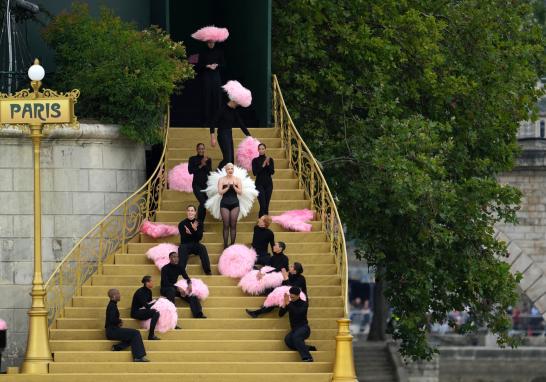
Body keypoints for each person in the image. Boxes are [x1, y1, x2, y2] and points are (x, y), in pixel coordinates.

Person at [210, 81, 252, 169]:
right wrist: (212, 137)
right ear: (233, 100)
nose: (238, 105)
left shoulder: (234, 111)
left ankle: (226, 178)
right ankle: (217, 173)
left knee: (231, 160)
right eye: (237, 103)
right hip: (222, 134)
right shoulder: (222, 109)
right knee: (227, 159)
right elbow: (213, 122)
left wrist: (248, 135)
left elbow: (241, 124)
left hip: (229, 134)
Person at [192, 26, 228, 126]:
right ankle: (205, 121)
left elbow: (224, 65)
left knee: (217, 99)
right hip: (206, 77)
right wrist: (206, 66)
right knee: (206, 98)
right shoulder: (202, 52)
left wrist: (217, 65)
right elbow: (198, 66)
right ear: (206, 42)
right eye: (209, 42)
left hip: (216, 77)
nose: (211, 44)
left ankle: (217, 121)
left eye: (212, 42)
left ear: (215, 42)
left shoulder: (219, 52)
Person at [105, 288, 149, 362]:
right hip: (112, 331)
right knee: (135, 333)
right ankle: (138, 356)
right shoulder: (112, 306)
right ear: (114, 296)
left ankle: (117, 347)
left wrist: (118, 322)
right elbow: (112, 319)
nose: (120, 295)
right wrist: (119, 321)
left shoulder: (112, 305)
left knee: (132, 336)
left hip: (112, 330)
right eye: (118, 294)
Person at [160, 252, 206, 319]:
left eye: (177, 257)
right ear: (170, 258)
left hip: (177, 289)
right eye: (173, 257)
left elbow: (186, 278)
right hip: (166, 288)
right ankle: (171, 315)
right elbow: (165, 283)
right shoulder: (165, 268)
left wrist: (189, 284)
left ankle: (198, 314)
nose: (176, 258)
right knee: (171, 290)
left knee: (192, 294)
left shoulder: (180, 267)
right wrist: (177, 288)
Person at [280, 286, 316, 362]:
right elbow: (280, 314)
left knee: (296, 337)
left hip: (304, 328)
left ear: (298, 295)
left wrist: (288, 304)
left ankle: (308, 357)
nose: (291, 298)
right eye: (290, 296)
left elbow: (298, 313)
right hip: (295, 330)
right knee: (288, 340)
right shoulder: (290, 303)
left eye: (293, 297)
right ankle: (306, 347)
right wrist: (284, 305)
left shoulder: (304, 304)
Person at [178, 205, 211, 275]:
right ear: (186, 212)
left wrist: (195, 230)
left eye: (192, 211)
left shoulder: (199, 223)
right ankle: (181, 270)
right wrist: (191, 233)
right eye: (189, 210)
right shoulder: (181, 224)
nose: (190, 212)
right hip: (185, 244)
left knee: (202, 248)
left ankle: (207, 271)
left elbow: (199, 238)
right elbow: (183, 238)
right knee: (182, 248)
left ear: (195, 213)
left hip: (195, 244)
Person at [218, 163, 243, 248]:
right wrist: (227, 187)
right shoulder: (221, 179)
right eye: (228, 169)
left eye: (232, 169)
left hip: (235, 204)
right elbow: (220, 192)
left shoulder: (237, 179)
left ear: (233, 170)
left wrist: (234, 187)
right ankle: (225, 245)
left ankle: (232, 245)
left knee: (233, 225)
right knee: (226, 224)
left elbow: (240, 192)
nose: (230, 170)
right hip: (224, 203)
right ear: (225, 170)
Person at [130, 275, 160, 340]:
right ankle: (151, 335)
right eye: (152, 281)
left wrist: (157, 301)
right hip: (136, 312)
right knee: (156, 313)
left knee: (158, 310)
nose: (153, 283)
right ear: (147, 282)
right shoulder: (140, 292)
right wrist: (156, 301)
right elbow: (147, 306)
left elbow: (149, 303)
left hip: (142, 310)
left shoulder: (149, 291)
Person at [188, 143, 212, 224]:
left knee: (204, 205)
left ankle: (200, 225)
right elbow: (190, 171)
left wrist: (205, 164)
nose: (201, 150)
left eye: (202, 149)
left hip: (205, 186)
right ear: (197, 149)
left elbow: (209, 172)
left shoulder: (208, 159)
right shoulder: (192, 159)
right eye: (199, 148)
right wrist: (201, 164)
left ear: (204, 149)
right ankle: (198, 223)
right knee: (203, 202)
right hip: (196, 185)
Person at [252, 143, 275, 217]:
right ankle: (260, 224)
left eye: (263, 149)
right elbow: (255, 173)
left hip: (269, 185)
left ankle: (265, 225)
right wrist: (263, 165)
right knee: (263, 205)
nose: (261, 150)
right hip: (259, 184)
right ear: (258, 150)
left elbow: (272, 172)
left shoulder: (270, 159)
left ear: (265, 150)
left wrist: (268, 164)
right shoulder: (255, 160)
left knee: (266, 206)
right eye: (260, 149)